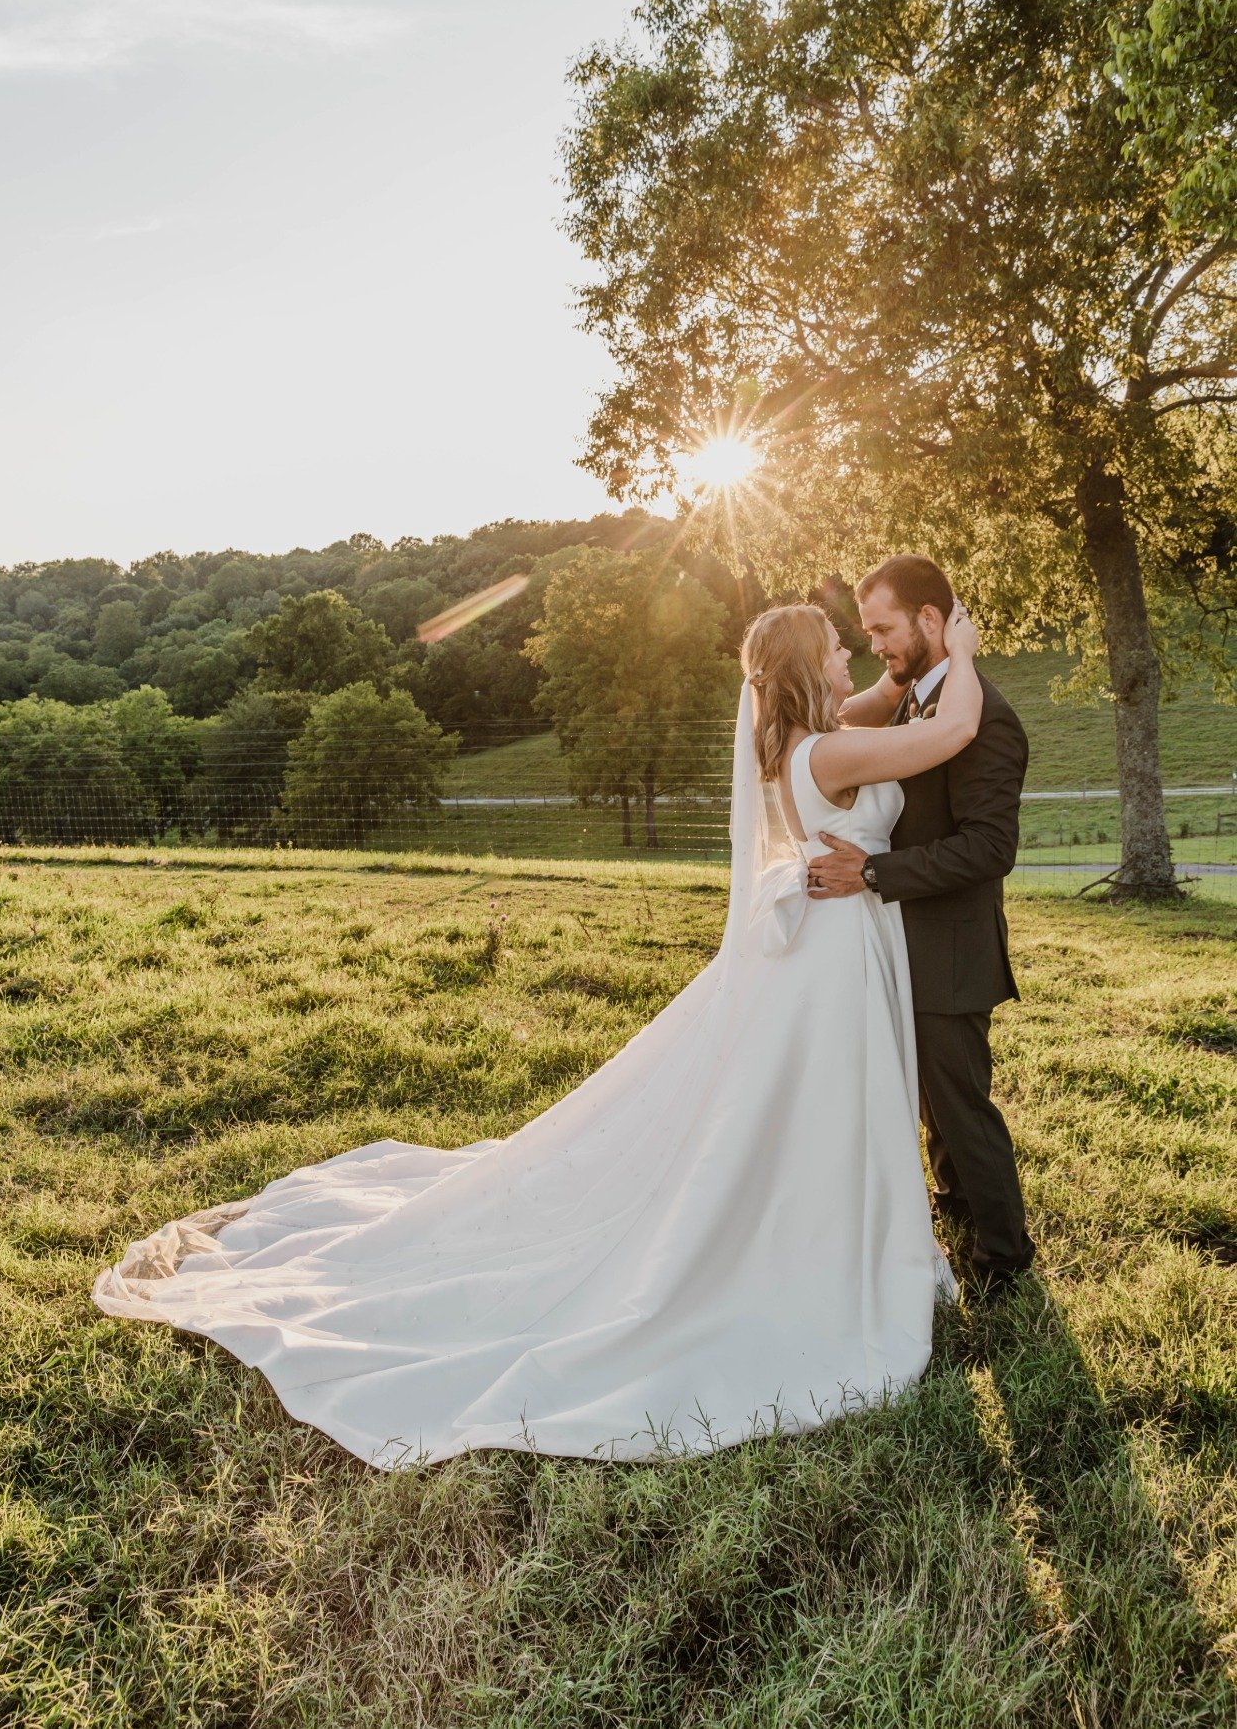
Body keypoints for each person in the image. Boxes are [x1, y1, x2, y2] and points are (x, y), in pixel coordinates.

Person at [93, 599, 983, 1469]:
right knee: (826, 1103)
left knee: (809, 1109)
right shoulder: (829, 750)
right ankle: (825, 1250)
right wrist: (967, 656)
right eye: (833, 646)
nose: (847, 657)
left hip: (833, 948)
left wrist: (913, 673)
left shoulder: (792, 741)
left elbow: (881, 705)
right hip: (832, 954)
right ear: (801, 668)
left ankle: (835, 1231)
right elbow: (945, 735)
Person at [806, 555, 1035, 1294]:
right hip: (909, 945)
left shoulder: (987, 718)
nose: (876, 643)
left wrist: (871, 875)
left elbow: (988, 848)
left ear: (931, 621)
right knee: (936, 1109)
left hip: (953, 952)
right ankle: (958, 1219)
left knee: (961, 1109)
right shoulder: (916, 701)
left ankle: (1005, 1259)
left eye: (884, 628)